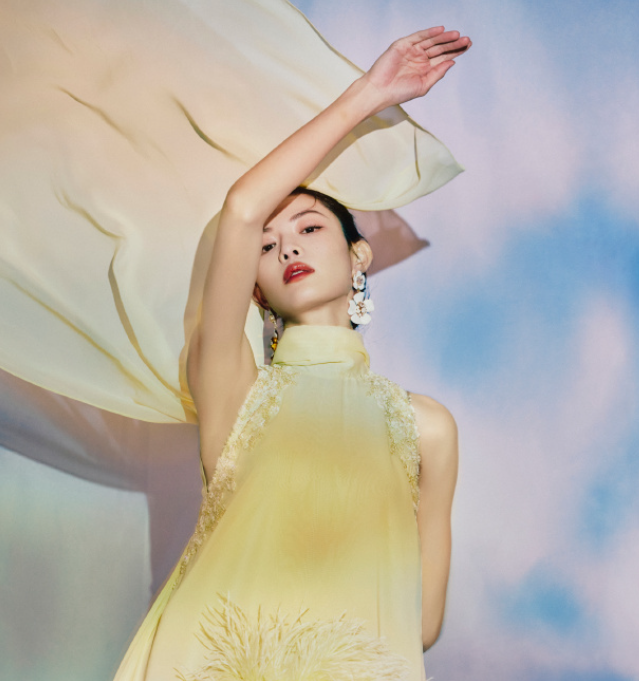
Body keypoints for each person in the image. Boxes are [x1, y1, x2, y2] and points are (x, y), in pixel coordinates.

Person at [114, 25, 471, 681]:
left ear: (359, 256)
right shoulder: (235, 388)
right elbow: (241, 207)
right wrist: (369, 93)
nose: (289, 247)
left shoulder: (428, 428)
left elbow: (420, 623)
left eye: (309, 227)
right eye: (268, 245)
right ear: (254, 288)